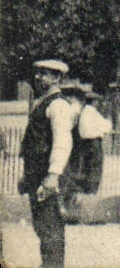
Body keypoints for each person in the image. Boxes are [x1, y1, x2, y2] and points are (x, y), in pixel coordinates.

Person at [19, 60, 81, 268]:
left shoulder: (58, 105)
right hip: (38, 176)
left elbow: (62, 142)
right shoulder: (42, 103)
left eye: (44, 74)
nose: (38, 78)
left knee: (51, 229)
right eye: (37, 73)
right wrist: (27, 176)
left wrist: (53, 175)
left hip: (49, 177)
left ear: (57, 78)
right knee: (43, 228)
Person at [71, 86, 111, 196]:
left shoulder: (84, 112)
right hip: (94, 142)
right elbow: (107, 126)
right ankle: (92, 191)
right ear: (94, 102)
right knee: (95, 167)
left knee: (87, 167)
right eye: (97, 101)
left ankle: (87, 191)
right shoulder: (93, 112)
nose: (98, 103)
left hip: (85, 143)